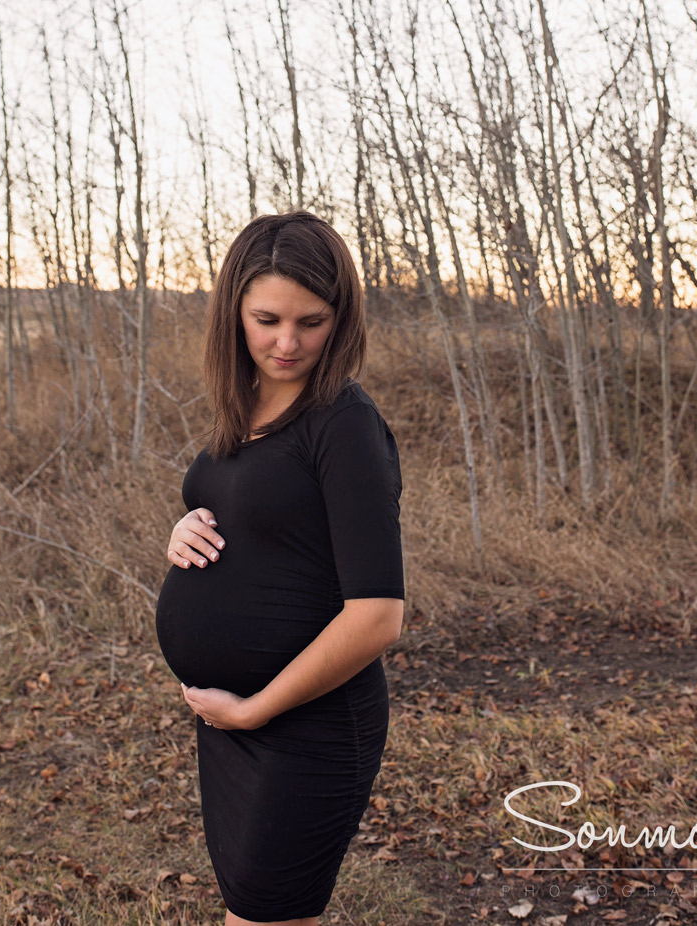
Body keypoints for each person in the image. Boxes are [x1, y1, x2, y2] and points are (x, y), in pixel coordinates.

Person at [155, 210, 405, 926]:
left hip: (307, 726)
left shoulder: (344, 424)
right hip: (233, 725)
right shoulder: (247, 403)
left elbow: (378, 615)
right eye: (266, 319)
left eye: (311, 322)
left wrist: (255, 708)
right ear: (233, 309)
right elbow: (258, 516)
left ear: (342, 318)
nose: (286, 343)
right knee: (251, 911)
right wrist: (185, 529)